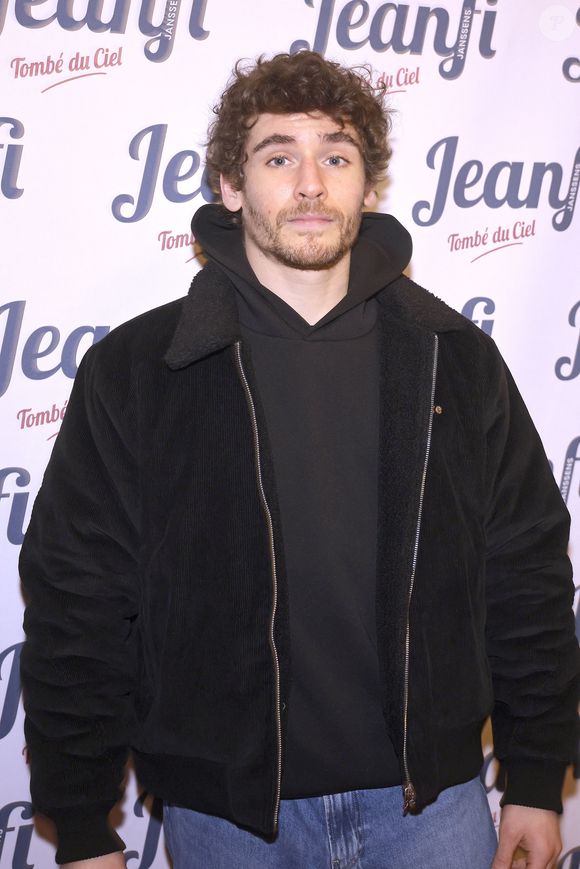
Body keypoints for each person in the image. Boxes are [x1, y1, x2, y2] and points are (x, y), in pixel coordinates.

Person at [20, 51, 579, 869]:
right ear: (231, 185)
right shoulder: (143, 369)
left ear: (367, 185)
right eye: (279, 155)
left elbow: (525, 570)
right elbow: (80, 600)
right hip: (229, 825)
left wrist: (534, 774)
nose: (311, 182)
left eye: (337, 156)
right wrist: (79, 823)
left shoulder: (453, 360)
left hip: (433, 811)